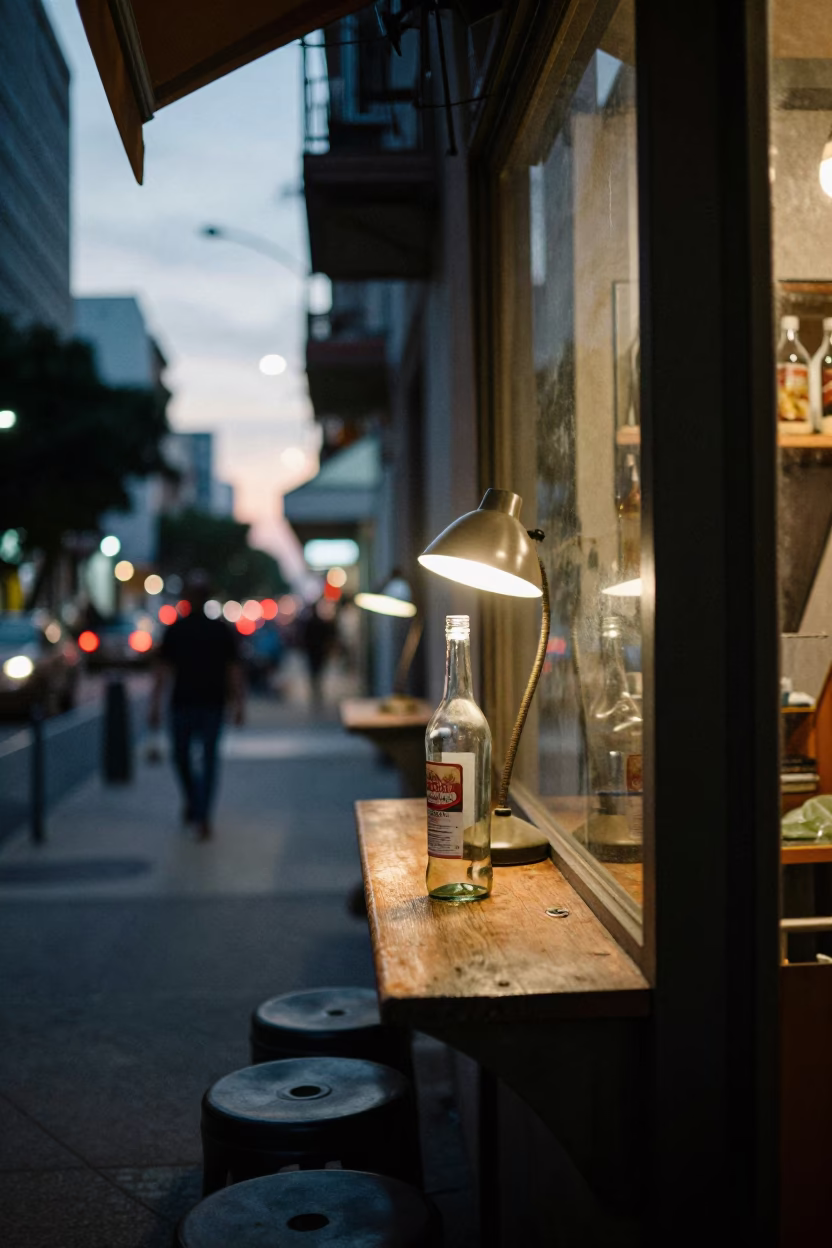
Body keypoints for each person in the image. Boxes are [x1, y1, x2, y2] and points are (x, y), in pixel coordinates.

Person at [148, 574, 244, 839]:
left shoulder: (216, 630)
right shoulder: (178, 630)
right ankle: (196, 804)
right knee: (188, 759)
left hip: (205, 703)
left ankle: (200, 812)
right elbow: (163, 670)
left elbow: (232, 669)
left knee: (201, 759)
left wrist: (239, 704)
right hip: (190, 703)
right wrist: (155, 704)